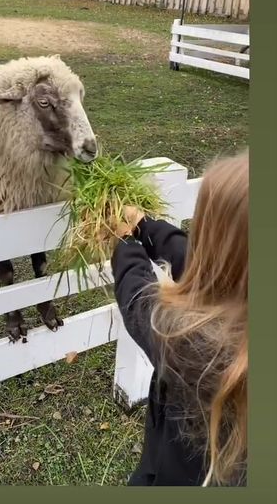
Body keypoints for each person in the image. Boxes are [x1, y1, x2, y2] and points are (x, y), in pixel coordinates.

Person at [111, 151, 248, 487]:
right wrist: (146, 226)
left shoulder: (197, 346)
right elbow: (209, 267)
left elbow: (139, 301)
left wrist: (123, 242)